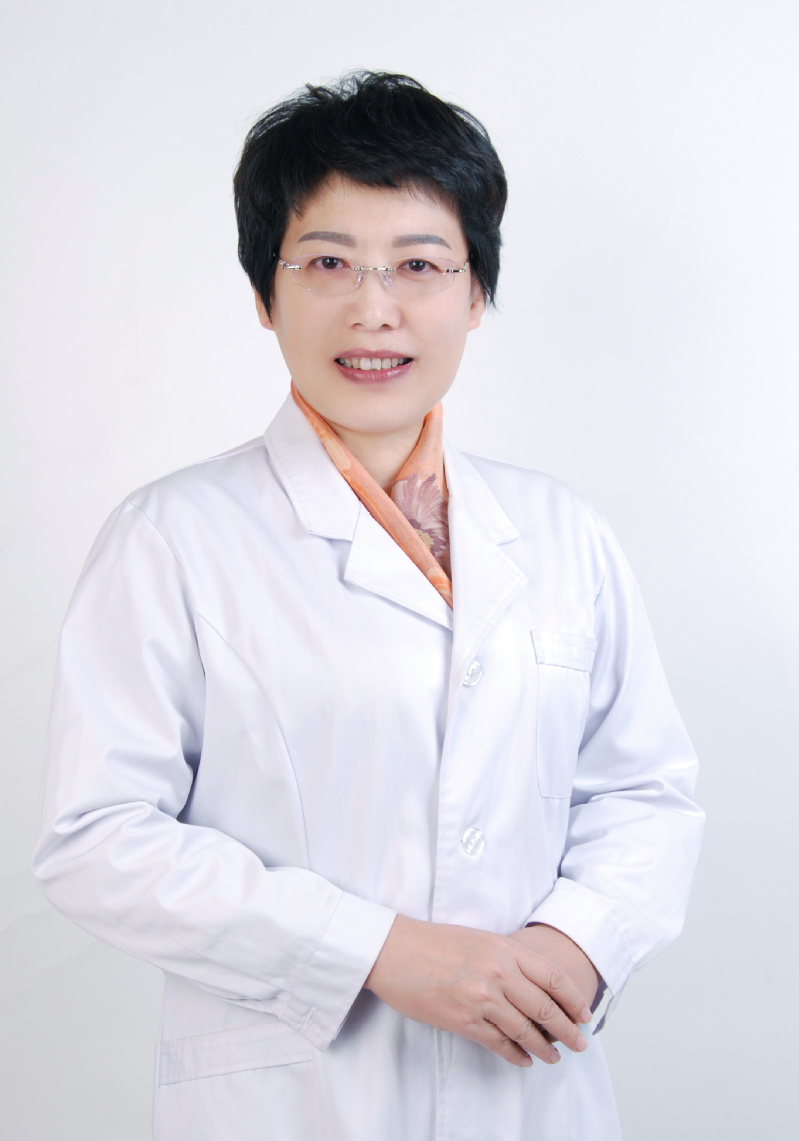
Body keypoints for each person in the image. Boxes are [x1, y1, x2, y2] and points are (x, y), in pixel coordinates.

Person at [32, 72, 704, 1141]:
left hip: (529, 1090)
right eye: (328, 262)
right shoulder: (172, 536)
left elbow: (644, 791)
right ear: (265, 293)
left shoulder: (560, 532)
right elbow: (98, 837)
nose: (373, 308)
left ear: (475, 293)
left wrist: (578, 940)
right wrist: (374, 950)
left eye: (420, 265)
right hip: (290, 1100)